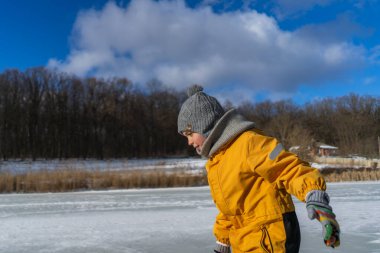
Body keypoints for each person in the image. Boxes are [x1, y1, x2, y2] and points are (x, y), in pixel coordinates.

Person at [177, 85, 340, 253]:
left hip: (271, 238)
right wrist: (223, 241)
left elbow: (288, 168)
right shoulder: (217, 161)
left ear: (205, 124)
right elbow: (230, 209)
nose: (189, 142)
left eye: (190, 134)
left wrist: (313, 193)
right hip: (245, 241)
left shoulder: (249, 143)